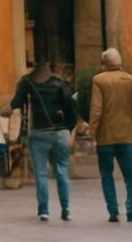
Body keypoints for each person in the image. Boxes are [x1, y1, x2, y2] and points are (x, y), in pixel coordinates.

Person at [9, 62, 77, 221]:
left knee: (41, 173)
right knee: (61, 170)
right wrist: (68, 128)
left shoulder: (27, 81)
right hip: (60, 132)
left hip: (39, 132)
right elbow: (71, 106)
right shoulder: (60, 83)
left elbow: (15, 104)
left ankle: (44, 210)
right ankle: (66, 208)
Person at [88, 48, 132, 223]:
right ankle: (131, 210)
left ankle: (113, 211)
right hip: (128, 137)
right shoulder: (130, 80)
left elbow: (96, 110)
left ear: (104, 63)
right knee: (130, 176)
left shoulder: (99, 80)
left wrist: (93, 133)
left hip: (105, 137)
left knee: (106, 174)